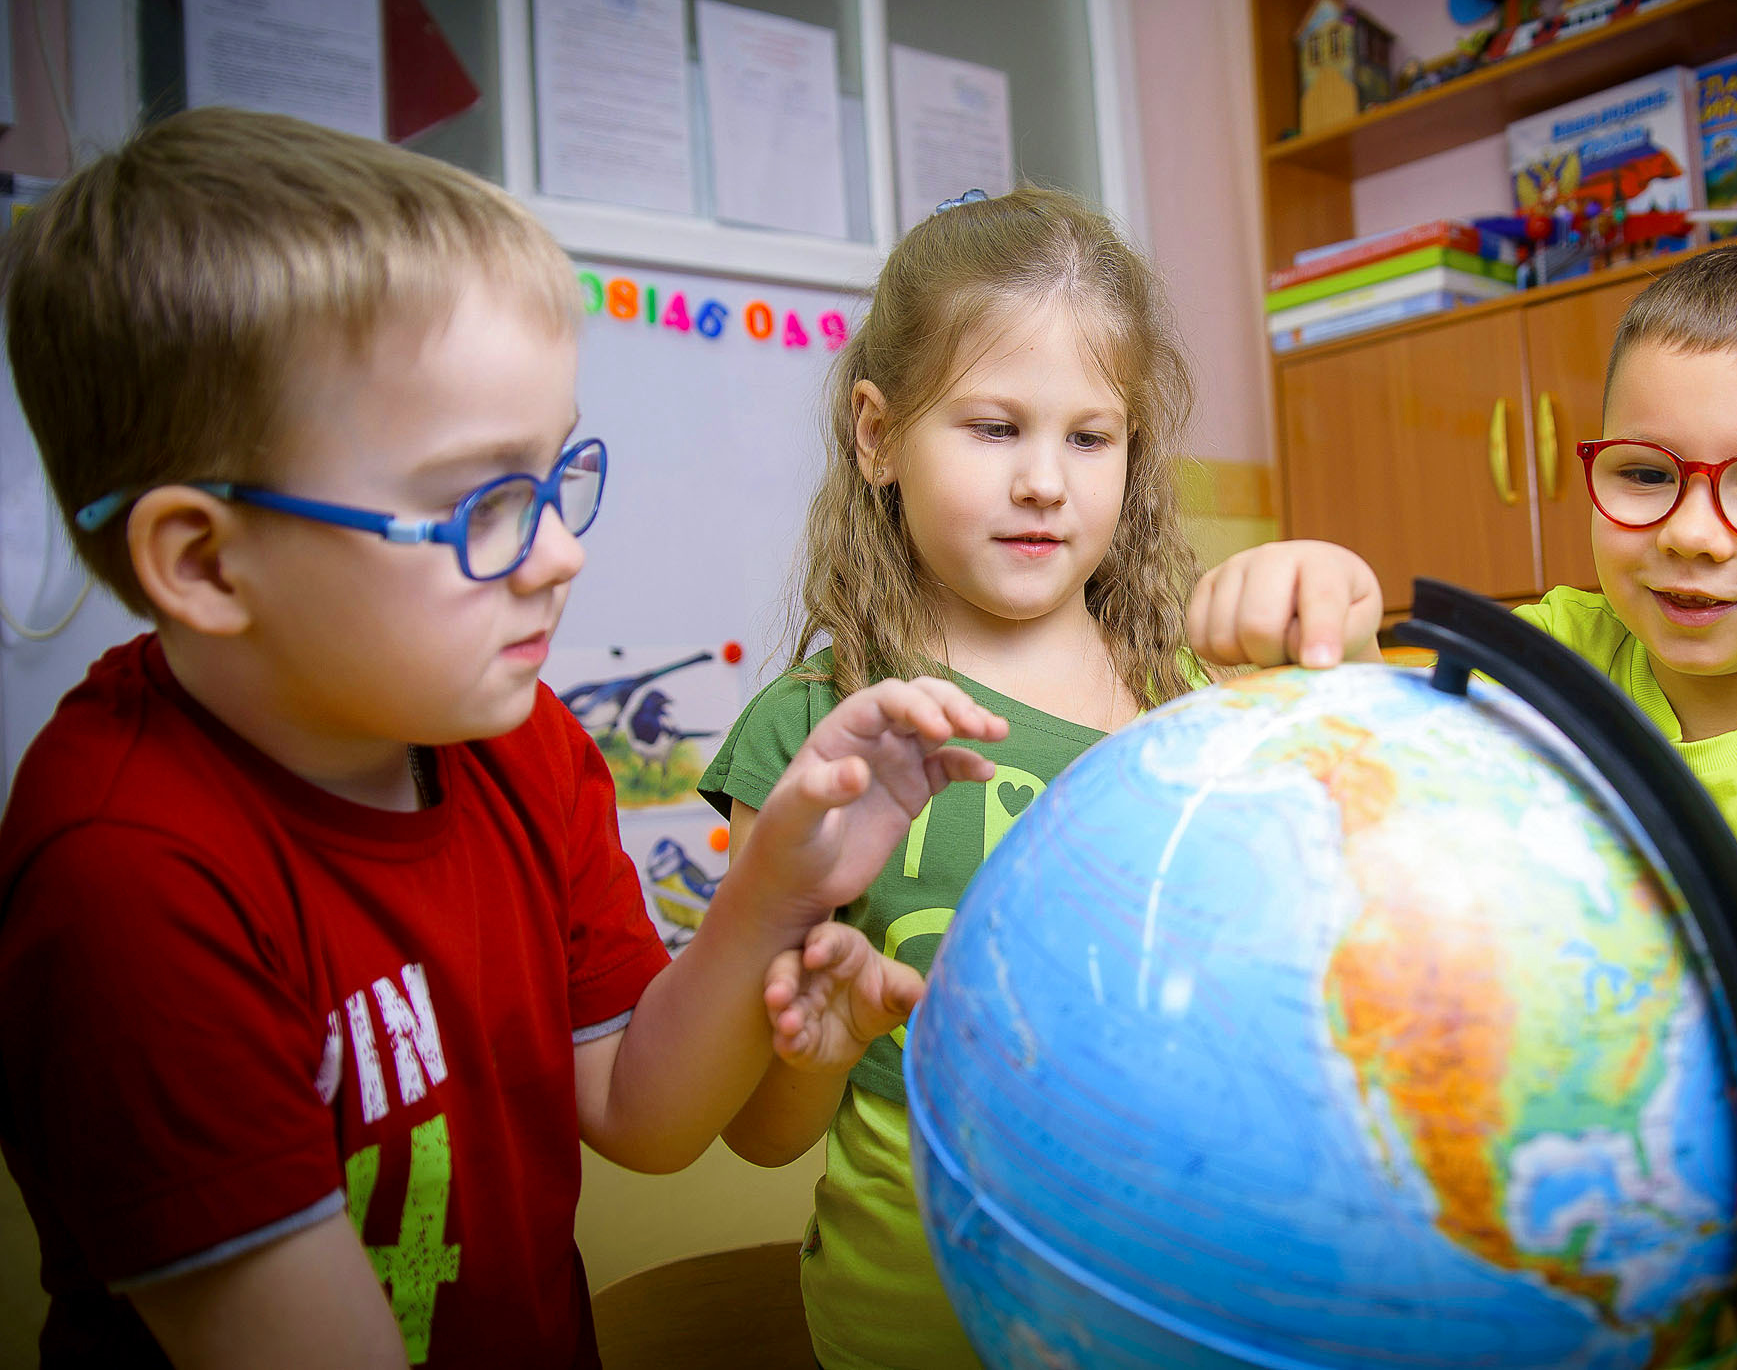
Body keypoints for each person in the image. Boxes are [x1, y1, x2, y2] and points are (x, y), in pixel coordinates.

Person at [0, 107, 1006, 1369]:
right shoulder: (127, 877)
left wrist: (771, 896)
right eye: (486, 504)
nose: (565, 551)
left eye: (554, 478)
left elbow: (635, 1111)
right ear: (204, 561)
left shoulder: (517, 743)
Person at [1221, 243, 1737, 1368]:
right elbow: (1359, 711)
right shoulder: (1550, 656)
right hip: (1522, 1283)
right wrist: (1310, 602)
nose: (1692, 531)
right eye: (1645, 474)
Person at [701, 186, 1381, 1369]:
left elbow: (1359, 895)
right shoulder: (812, 737)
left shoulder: (1198, 697)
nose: (1044, 483)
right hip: (908, 1327)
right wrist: (824, 1041)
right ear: (876, 435)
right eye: (994, 427)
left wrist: (1338, 620)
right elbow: (759, 1136)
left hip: (1177, 1314)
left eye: (1088, 436)